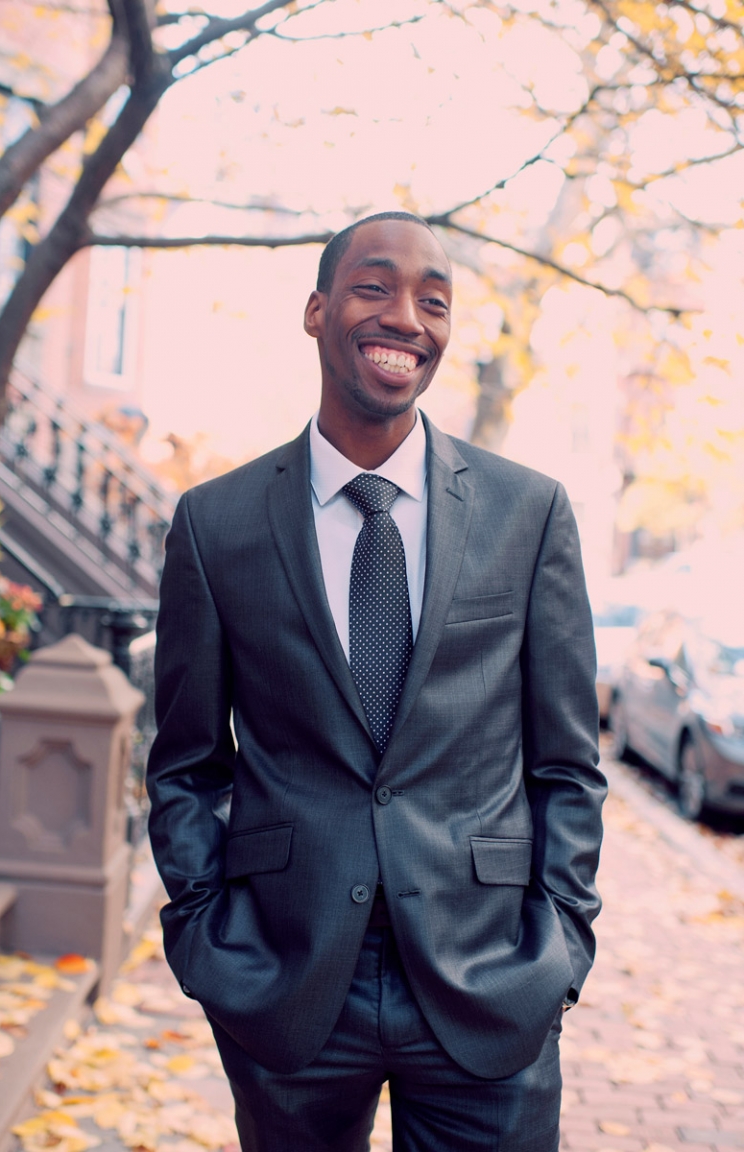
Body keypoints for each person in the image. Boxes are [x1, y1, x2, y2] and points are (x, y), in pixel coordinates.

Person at [147, 211, 606, 1152]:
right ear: (316, 311)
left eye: (434, 302)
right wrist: (205, 940)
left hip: (489, 983)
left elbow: (568, 763)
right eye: (374, 287)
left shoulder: (530, 514)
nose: (408, 317)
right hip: (285, 984)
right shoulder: (216, 524)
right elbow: (187, 763)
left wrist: (558, 948)